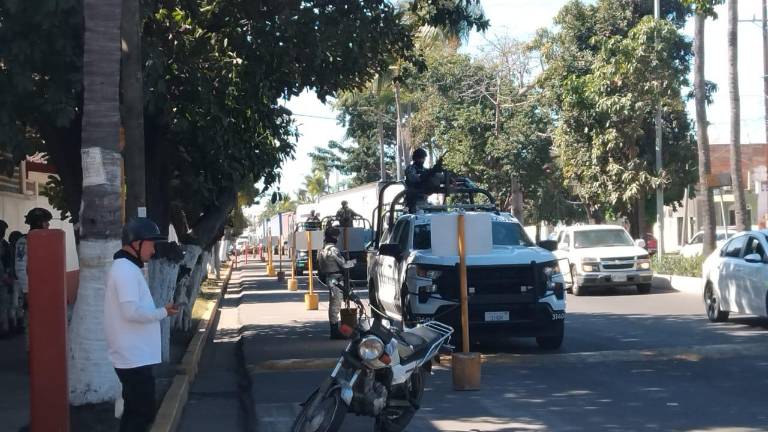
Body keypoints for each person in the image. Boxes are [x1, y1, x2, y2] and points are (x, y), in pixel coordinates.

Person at [104, 218, 179, 432]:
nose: (153, 251)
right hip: (132, 358)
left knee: (135, 412)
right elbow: (131, 312)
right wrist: (162, 312)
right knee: (141, 414)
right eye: (151, 244)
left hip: (133, 356)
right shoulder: (125, 271)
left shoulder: (127, 268)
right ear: (136, 243)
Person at [15, 208, 52, 345]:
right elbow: (20, 267)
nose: (48, 225)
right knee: (31, 325)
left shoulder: (48, 240)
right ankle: (33, 356)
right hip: (31, 290)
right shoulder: (24, 242)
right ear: (39, 223)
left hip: (45, 290)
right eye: (46, 222)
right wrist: (26, 291)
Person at [317, 226, 354, 340]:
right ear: (334, 237)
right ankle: (334, 332)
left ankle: (334, 330)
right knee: (335, 305)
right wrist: (353, 262)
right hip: (336, 279)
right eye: (336, 236)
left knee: (333, 305)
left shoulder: (322, 250)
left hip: (330, 278)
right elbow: (344, 264)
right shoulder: (333, 250)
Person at [404, 148, 442, 213]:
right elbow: (413, 178)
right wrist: (428, 174)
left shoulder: (424, 169)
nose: (422, 160)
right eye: (420, 158)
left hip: (424, 200)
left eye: (423, 158)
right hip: (413, 202)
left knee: (439, 211)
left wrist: (436, 170)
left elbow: (433, 175)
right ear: (415, 158)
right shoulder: (410, 169)